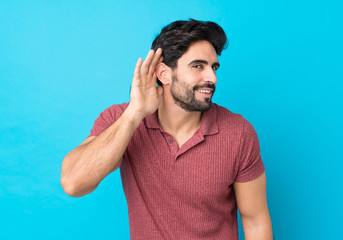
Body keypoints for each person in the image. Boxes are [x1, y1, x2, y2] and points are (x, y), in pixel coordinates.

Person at [61, 19, 273, 239]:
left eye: (214, 67)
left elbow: (255, 219)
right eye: (198, 66)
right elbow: (73, 183)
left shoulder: (239, 133)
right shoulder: (121, 119)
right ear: (164, 74)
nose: (212, 78)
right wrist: (135, 114)